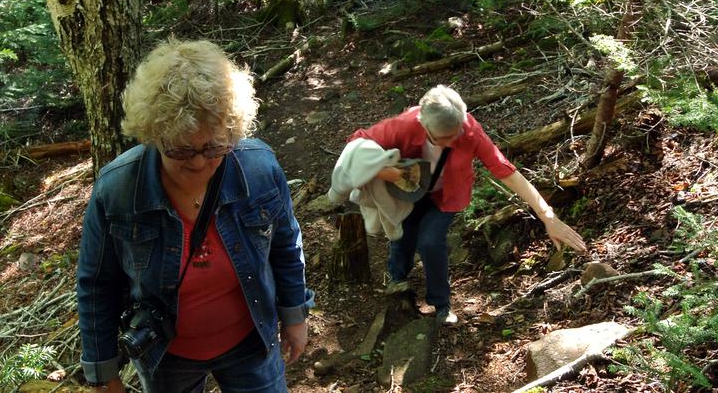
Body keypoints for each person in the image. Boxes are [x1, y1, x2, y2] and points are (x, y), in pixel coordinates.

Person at [77, 39, 314, 393]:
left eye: (214, 147)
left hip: (251, 342)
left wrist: (294, 315)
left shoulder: (260, 170)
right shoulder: (118, 191)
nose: (200, 162)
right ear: (153, 135)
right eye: (182, 149)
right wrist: (103, 373)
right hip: (166, 356)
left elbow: (285, 245)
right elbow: (97, 285)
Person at [349, 85, 586, 325]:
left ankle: (441, 304)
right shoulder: (406, 123)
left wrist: (548, 217)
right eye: (443, 138)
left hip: (447, 194)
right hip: (407, 190)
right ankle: (398, 278)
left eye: (455, 134)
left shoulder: (470, 132)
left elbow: (505, 171)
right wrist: (384, 170)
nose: (452, 142)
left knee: (431, 242)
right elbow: (357, 142)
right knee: (402, 234)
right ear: (424, 124)